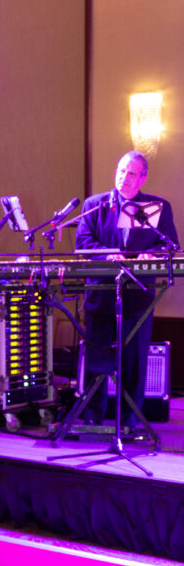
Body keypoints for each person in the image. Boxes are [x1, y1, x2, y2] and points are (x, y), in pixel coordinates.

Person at [75, 150, 179, 428]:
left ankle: (129, 424)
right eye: (121, 170)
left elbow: (168, 244)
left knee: (133, 365)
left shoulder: (158, 207)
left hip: (137, 300)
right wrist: (108, 255)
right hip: (102, 296)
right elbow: (84, 242)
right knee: (97, 363)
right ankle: (92, 422)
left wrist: (152, 256)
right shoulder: (95, 204)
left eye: (131, 173)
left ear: (143, 178)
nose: (124, 177)